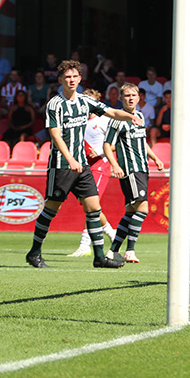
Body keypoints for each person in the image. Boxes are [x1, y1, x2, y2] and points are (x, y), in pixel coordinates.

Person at [25, 59, 143, 269]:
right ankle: (34, 252)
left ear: (79, 79)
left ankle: (99, 257)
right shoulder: (55, 104)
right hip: (62, 165)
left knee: (94, 208)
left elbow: (111, 112)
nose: (71, 80)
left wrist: (130, 117)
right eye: (67, 77)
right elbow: (55, 135)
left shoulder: (84, 101)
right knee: (52, 209)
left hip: (83, 167)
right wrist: (70, 159)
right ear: (61, 80)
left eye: (74, 77)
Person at [102, 83, 165, 263]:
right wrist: (115, 165)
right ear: (121, 99)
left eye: (133, 95)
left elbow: (142, 141)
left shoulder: (139, 116)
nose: (130, 98)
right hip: (130, 170)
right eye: (126, 96)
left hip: (142, 168)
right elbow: (107, 145)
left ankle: (113, 251)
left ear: (139, 98)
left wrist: (154, 157)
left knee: (130, 212)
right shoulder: (118, 119)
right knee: (143, 208)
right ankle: (130, 250)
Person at [68, 88, 118, 258]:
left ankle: (85, 244)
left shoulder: (104, 120)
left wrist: (100, 151)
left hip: (100, 166)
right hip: (85, 167)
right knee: (88, 204)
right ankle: (113, 234)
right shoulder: (78, 122)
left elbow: (116, 143)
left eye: (90, 100)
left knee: (91, 205)